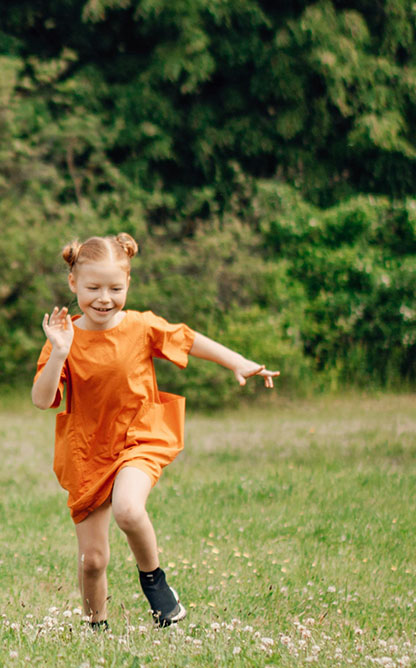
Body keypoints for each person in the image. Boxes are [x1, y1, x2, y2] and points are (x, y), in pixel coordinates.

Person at [31, 232, 277, 630]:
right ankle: (96, 630)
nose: (104, 298)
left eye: (115, 287)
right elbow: (42, 400)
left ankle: (155, 583)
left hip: (139, 437)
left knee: (129, 509)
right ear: (74, 284)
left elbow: (189, 339)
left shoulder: (141, 326)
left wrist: (238, 361)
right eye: (93, 287)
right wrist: (58, 351)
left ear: (128, 283)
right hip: (87, 450)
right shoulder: (64, 337)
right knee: (93, 561)